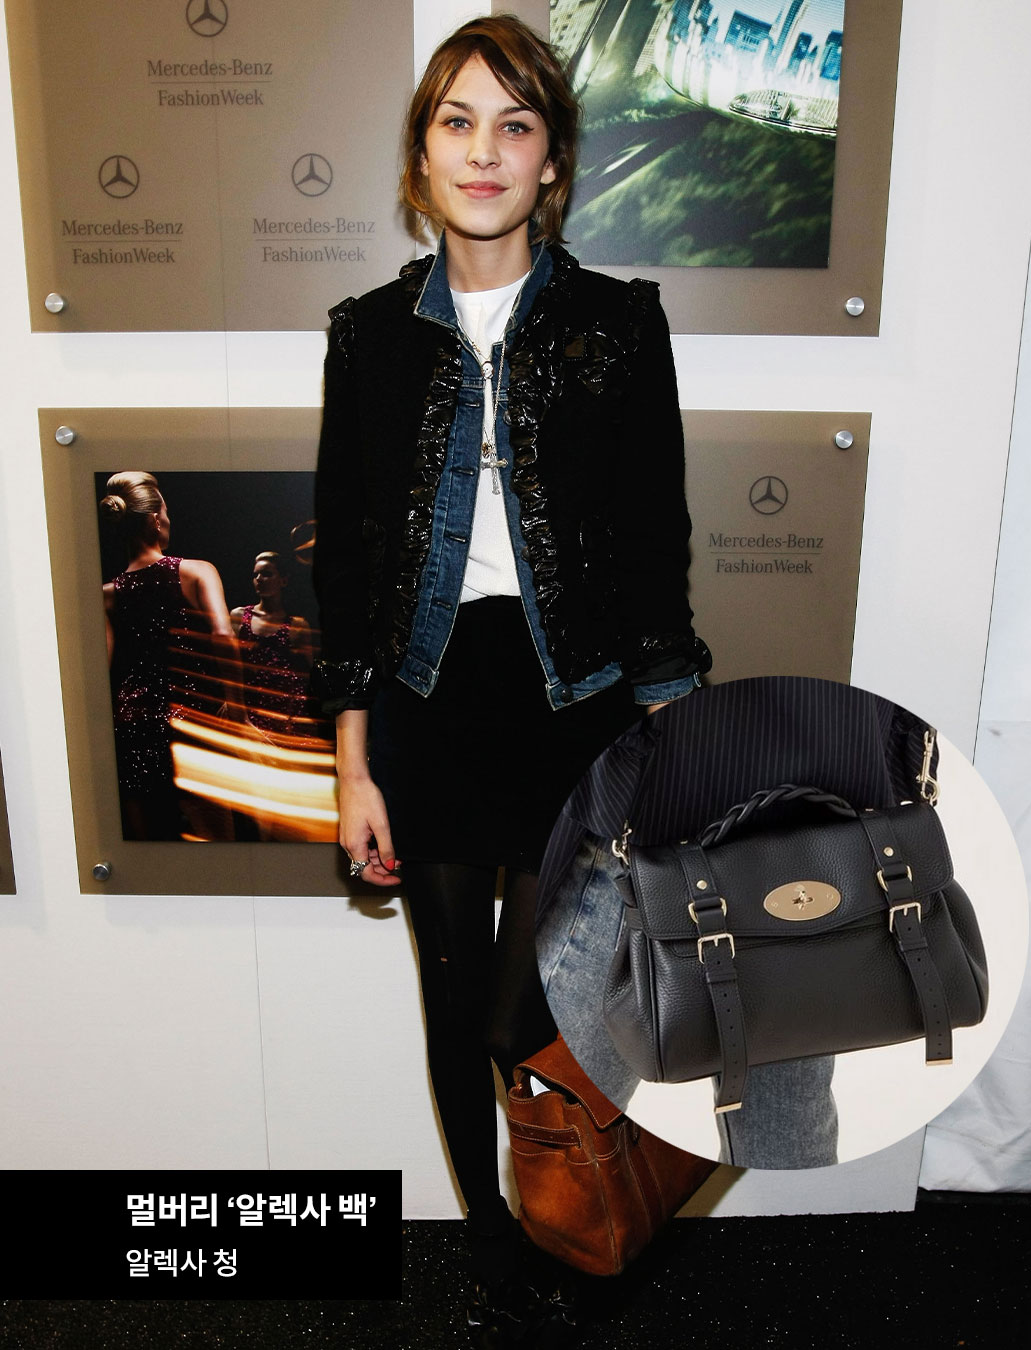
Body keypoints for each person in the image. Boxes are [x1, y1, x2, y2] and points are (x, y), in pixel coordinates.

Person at [312, 15, 711, 1337]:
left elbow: (655, 546)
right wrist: (352, 766)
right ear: (421, 157)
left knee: (519, 1013)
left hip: (573, 702)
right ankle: (488, 1229)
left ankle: (578, 1195)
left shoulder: (619, 324)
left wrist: (670, 738)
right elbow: (346, 562)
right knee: (447, 987)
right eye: (457, 122)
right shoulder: (369, 337)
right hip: (426, 699)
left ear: (551, 163)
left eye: (515, 124)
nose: (484, 151)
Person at [100, 471, 244, 840]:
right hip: (189, 719)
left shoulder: (108, 594)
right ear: (154, 520)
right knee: (215, 839)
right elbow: (223, 635)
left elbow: (102, 668)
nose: (169, 518)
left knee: (150, 842)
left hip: (133, 724)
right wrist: (237, 709)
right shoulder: (195, 571)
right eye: (166, 511)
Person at [230, 552, 313, 743]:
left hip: (285, 713)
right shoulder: (239, 617)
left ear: (283, 580)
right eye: (256, 575)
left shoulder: (297, 626)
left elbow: (309, 675)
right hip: (250, 708)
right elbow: (230, 667)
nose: (259, 579)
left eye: (267, 574)